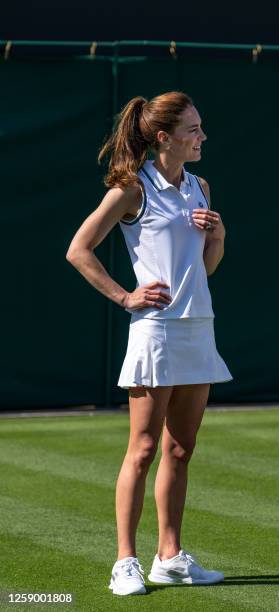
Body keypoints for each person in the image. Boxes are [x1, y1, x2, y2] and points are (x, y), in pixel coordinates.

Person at [66, 91, 231, 596]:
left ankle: (170, 556)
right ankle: (125, 560)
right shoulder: (131, 189)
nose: (201, 137)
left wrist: (218, 236)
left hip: (198, 326)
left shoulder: (200, 187)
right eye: (193, 130)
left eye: (200, 128)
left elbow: (201, 270)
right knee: (142, 449)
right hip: (156, 332)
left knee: (181, 449)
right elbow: (79, 249)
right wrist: (125, 296)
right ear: (164, 137)